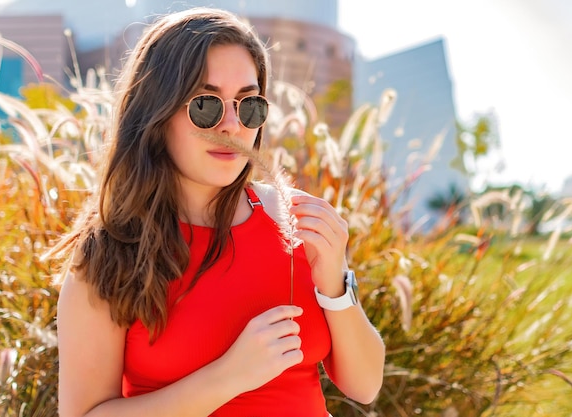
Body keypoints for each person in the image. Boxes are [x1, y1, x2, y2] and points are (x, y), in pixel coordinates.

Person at [52, 6, 385, 417]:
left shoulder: (293, 219)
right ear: (157, 113)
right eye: (206, 105)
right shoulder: (111, 251)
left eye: (249, 106)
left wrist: (335, 284)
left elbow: (365, 385)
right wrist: (229, 376)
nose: (231, 125)